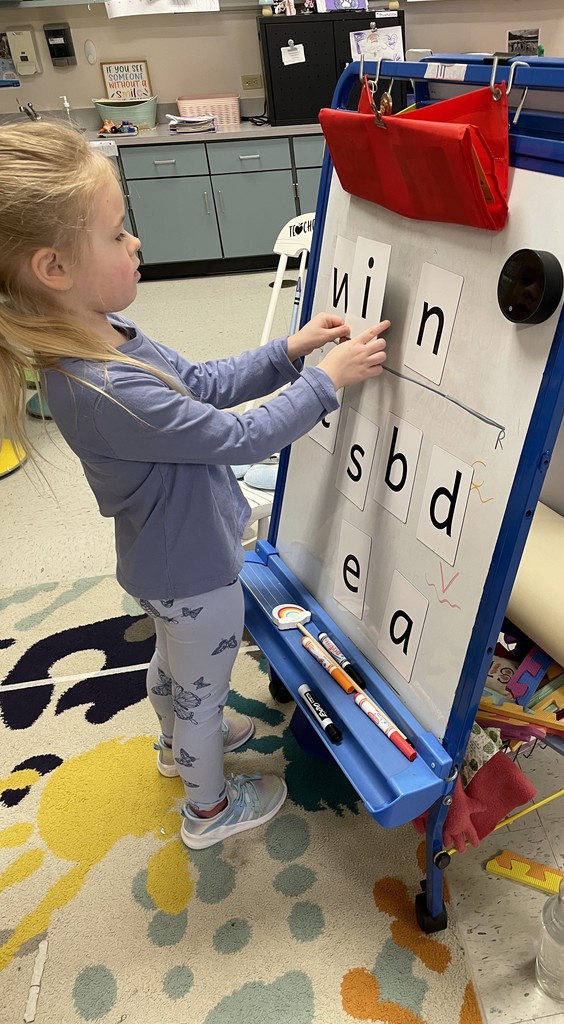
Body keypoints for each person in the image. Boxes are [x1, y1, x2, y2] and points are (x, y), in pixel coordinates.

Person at [0, 122, 389, 849]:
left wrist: (286, 351)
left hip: (158, 562)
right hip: (195, 570)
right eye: (118, 235)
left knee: (171, 666)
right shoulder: (109, 386)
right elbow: (241, 435)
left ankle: (173, 747)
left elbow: (204, 384)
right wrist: (324, 382)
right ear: (54, 267)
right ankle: (209, 811)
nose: (135, 244)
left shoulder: (106, 334)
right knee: (203, 690)